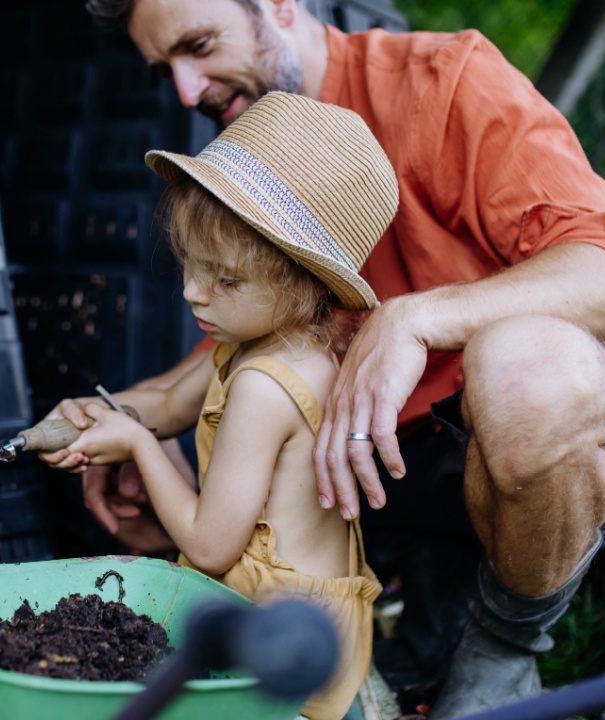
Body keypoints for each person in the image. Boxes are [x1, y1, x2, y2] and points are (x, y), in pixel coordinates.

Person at [59, 1, 605, 717]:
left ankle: (506, 646)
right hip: (381, 475)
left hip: (550, 450)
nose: (188, 93)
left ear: (282, 5)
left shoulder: (445, 83)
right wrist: (117, 419)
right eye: (167, 70)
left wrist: (415, 317)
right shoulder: (260, 151)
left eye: (199, 46)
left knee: (523, 370)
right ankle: (407, 638)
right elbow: (212, 363)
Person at [43, 92, 396, 720]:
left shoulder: (265, 385)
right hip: (321, 625)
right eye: (187, 263)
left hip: (274, 647)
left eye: (224, 279)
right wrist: (92, 416)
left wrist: (139, 447)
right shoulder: (297, 345)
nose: (190, 291)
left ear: (304, 281)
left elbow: (210, 547)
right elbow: (171, 403)